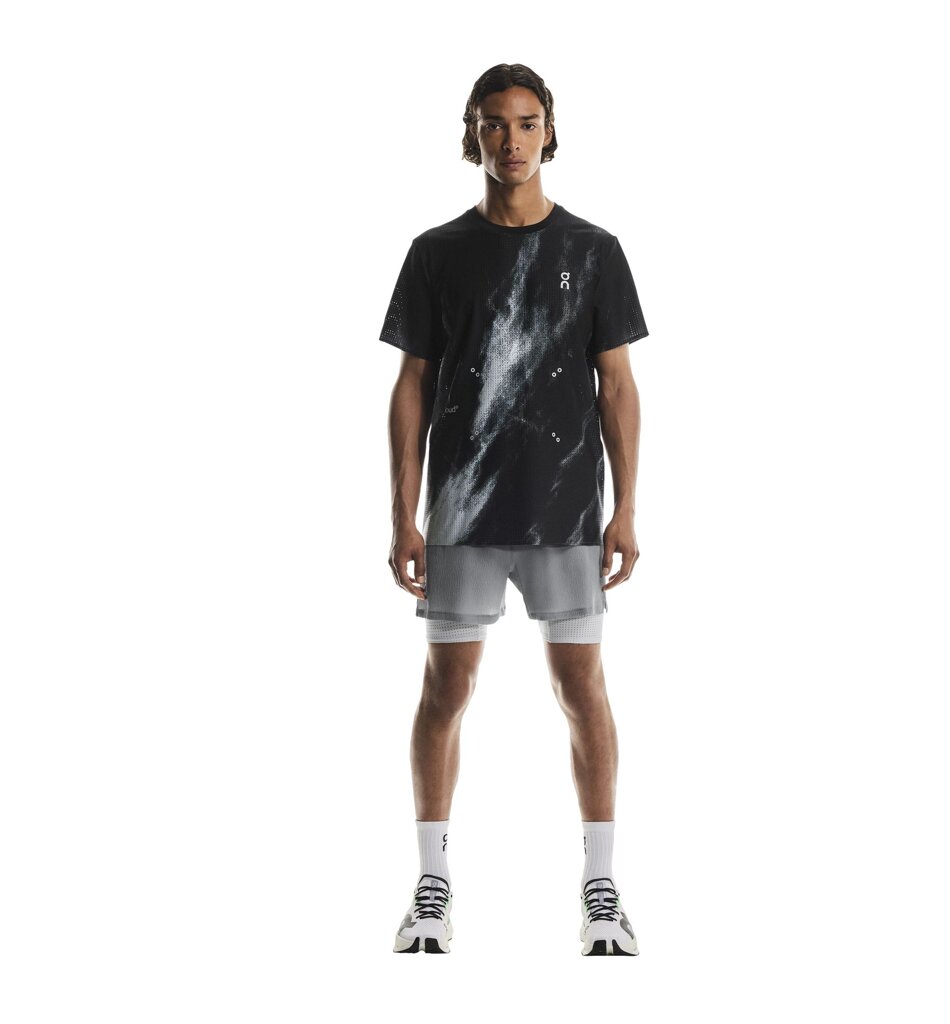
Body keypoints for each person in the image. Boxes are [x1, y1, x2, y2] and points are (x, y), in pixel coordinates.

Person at [379, 63, 649, 956]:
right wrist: (403, 513)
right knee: (446, 690)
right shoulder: (436, 252)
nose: (512, 140)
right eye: (494, 123)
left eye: (528, 123)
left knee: (581, 689)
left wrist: (626, 508)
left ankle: (602, 889)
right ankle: (431, 886)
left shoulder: (594, 250)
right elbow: (411, 386)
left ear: (549, 132)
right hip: (461, 511)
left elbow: (618, 385)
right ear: (472, 133)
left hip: (565, 510)